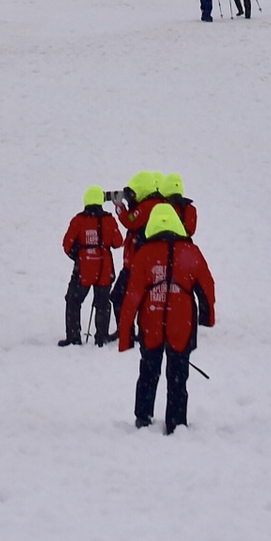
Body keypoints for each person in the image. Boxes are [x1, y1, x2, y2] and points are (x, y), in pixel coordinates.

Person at [117, 204, 216, 435]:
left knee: (148, 373)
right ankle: (176, 422)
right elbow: (207, 288)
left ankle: (143, 417)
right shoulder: (192, 252)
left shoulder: (144, 254)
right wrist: (206, 318)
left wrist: (125, 336)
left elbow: (131, 298)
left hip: (150, 322)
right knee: (178, 375)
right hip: (182, 323)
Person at [60, 185, 124, 346]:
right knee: (102, 303)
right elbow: (118, 242)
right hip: (105, 267)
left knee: (73, 300)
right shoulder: (109, 220)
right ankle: (101, 337)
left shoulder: (78, 220)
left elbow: (67, 244)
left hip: (84, 268)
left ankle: (74, 337)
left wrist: (78, 255)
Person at [109, 171, 164, 317]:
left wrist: (120, 207)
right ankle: (137, 332)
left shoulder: (147, 206)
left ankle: (127, 333)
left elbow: (130, 221)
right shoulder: (156, 204)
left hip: (136, 264)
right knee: (142, 300)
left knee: (118, 298)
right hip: (146, 263)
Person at [161, 171, 196, 237]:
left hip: (161, 243)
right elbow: (190, 230)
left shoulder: (160, 206)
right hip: (183, 243)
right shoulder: (190, 208)